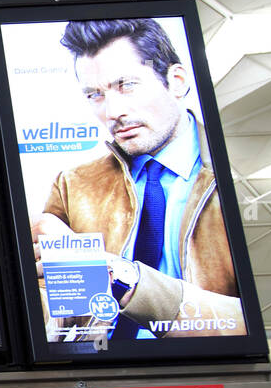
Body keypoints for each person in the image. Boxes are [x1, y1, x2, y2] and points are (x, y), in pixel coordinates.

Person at [30, 18, 242, 340]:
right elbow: (61, 322)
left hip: (207, 373)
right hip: (99, 372)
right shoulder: (73, 185)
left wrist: (123, 280)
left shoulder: (236, 180)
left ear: (177, 80)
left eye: (126, 85)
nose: (112, 111)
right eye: (94, 95)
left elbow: (259, 319)